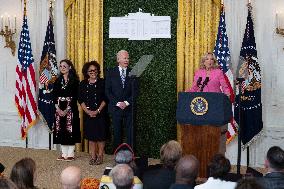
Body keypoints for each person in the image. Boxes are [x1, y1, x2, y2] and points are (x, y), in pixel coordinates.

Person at [105, 50, 137, 150]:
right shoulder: (110, 72)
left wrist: (126, 103)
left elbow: (136, 91)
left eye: (128, 58)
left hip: (129, 109)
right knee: (117, 134)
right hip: (116, 109)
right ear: (118, 59)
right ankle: (117, 158)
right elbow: (107, 91)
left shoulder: (134, 72)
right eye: (124, 58)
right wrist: (118, 103)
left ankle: (131, 157)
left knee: (130, 135)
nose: (127, 60)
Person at [78, 61, 107, 165]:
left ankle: (100, 156)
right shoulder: (83, 83)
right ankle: (93, 156)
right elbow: (80, 100)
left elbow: (106, 98)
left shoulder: (103, 82)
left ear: (98, 71)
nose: (93, 72)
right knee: (91, 137)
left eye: (95, 70)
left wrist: (98, 110)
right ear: (86, 72)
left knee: (101, 137)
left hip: (101, 113)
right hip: (88, 115)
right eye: (90, 70)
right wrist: (88, 112)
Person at [53, 59, 81, 161]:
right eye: (61, 66)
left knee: (70, 130)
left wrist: (67, 109)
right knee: (61, 130)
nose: (62, 68)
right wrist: (58, 109)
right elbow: (54, 95)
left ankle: (70, 154)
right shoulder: (57, 80)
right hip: (59, 108)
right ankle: (63, 153)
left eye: (64, 66)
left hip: (71, 108)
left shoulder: (75, 81)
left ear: (70, 67)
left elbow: (76, 96)